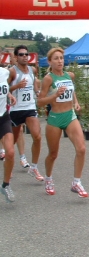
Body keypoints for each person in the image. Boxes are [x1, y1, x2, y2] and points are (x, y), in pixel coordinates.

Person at [36, 48, 88, 198]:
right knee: (53, 154)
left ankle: (76, 182)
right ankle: (49, 179)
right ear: (50, 62)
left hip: (70, 116)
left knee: (82, 149)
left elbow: (72, 91)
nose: (60, 61)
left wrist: (76, 102)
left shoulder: (69, 75)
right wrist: (54, 96)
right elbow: (39, 102)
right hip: (55, 119)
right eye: (56, 58)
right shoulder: (48, 79)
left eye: (61, 58)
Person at [8, 45, 43, 181]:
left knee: (37, 137)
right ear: (16, 57)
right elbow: (5, 89)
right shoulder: (12, 71)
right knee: (13, 141)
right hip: (16, 109)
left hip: (29, 107)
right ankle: (9, 166)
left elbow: (34, 86)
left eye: (26, 54)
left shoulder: (32, 70)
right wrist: (17, 86)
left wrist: (38, 93)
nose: (24, 56)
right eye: (21, 54)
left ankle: (33, 167)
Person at [0, 66, 17, 202]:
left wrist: (9, 95)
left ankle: (5, 185)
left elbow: (4, 90)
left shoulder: (5, 72)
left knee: (10, 152)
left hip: (3, 117)